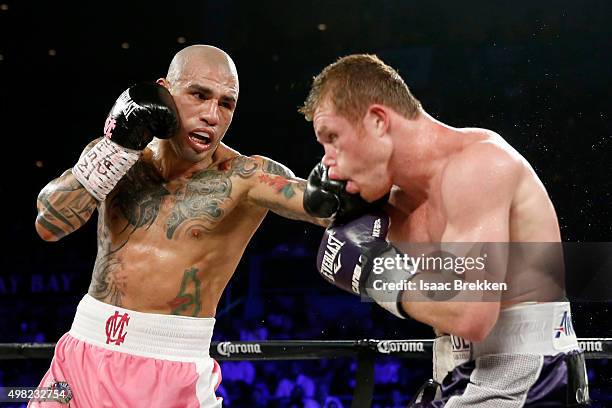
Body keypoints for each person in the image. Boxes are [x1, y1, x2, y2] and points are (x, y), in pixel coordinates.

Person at [32, 44, 341, 407]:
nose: (212, 114)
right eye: (199, 95)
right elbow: (49, 224)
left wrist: (342, 187)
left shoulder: (247, 176)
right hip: (80, 352)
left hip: (169, 369)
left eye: (226, 104)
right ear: (165, 90)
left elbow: (322, 207)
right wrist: (115, 148)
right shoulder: (119, 157)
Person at [301, 54, 590, 407]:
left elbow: (472, 312)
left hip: (525, 377)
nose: (327, 160)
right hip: (455, 373)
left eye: (332, 137)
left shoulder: (479, 167)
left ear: (378, 120)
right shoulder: (391, 202)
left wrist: (373, 272)